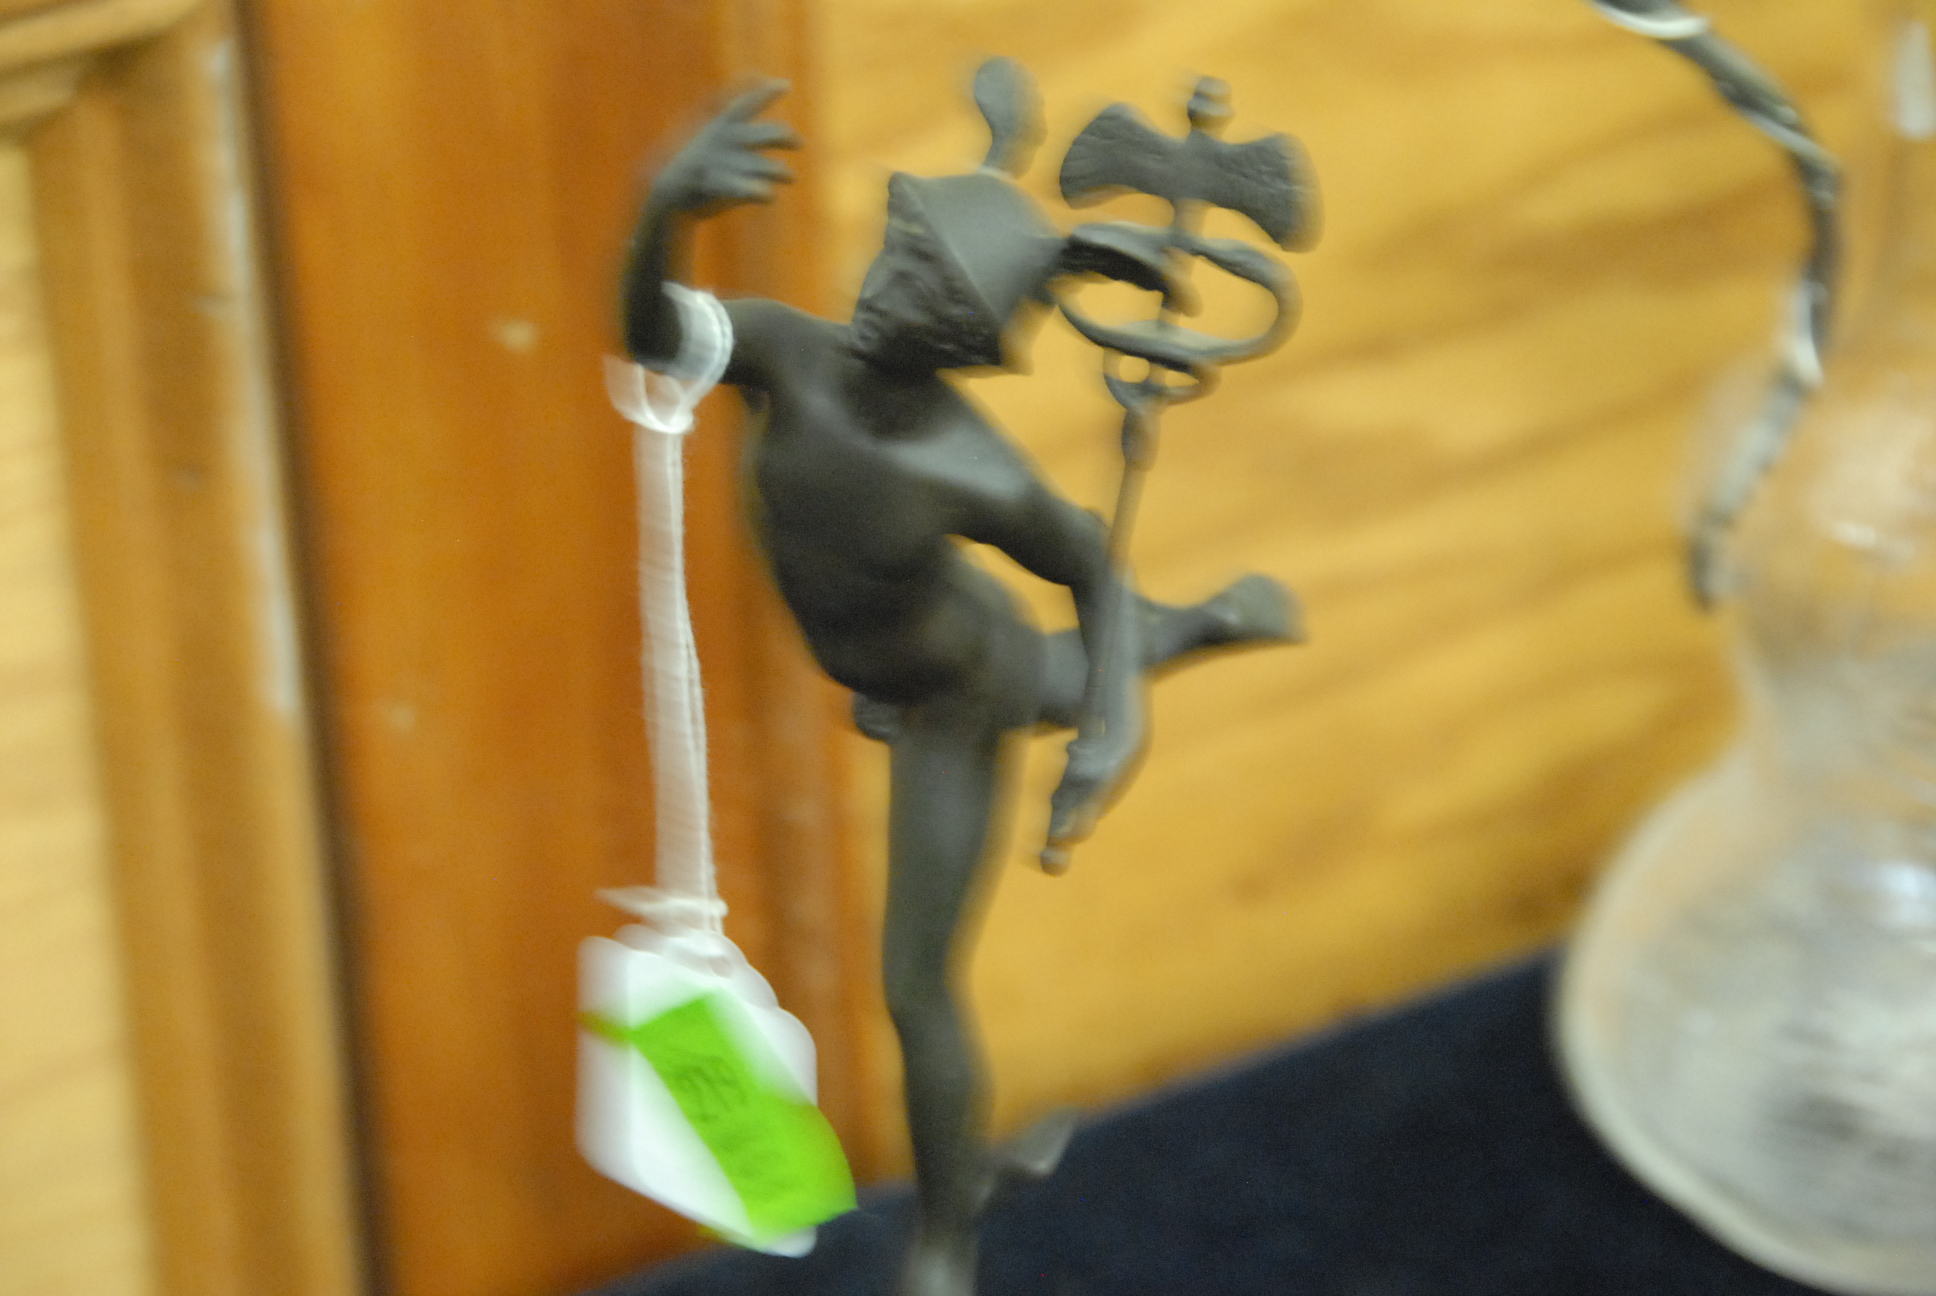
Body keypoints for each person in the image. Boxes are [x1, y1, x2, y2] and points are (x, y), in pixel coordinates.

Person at [620, 63, 1294, 1296]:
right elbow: (653, 337)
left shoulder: (968, 469)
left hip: (947, 696)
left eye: (927, 300)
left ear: (966, 347)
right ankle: (1203, 622)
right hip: (920, 656)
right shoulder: (787, 353)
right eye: (896, 264)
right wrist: (663, 204)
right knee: (1052, 675)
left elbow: (1088, 565)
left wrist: (1113, 732)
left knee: (917, 984)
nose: (886, 302)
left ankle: (944, 1236)